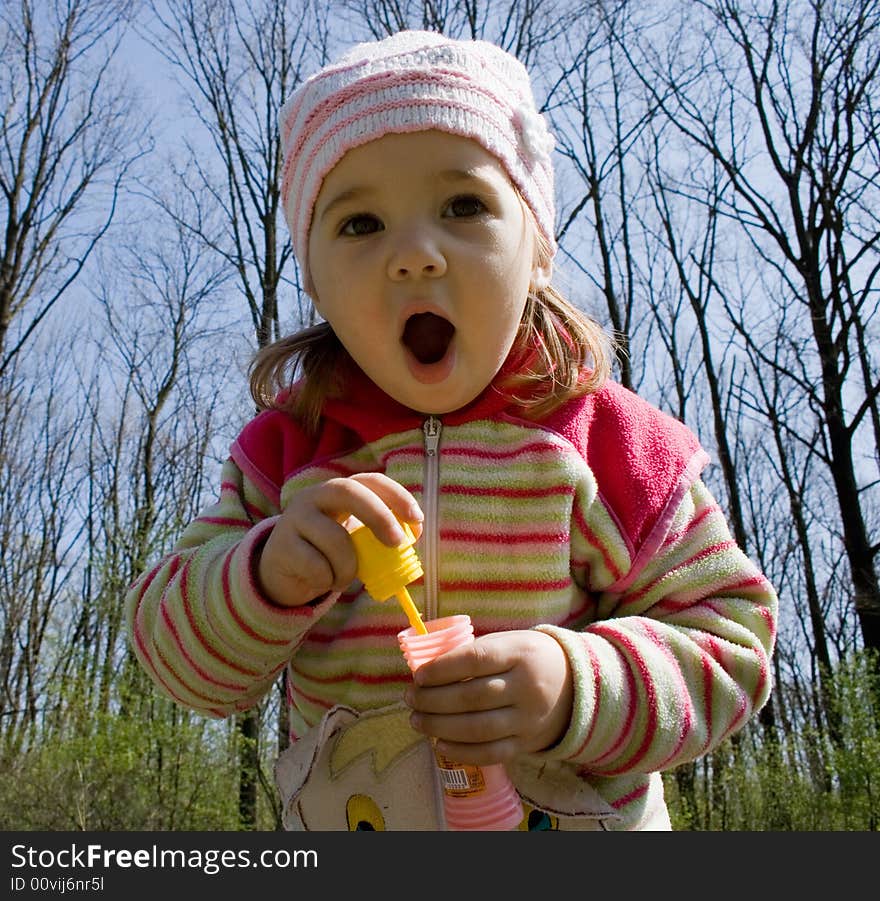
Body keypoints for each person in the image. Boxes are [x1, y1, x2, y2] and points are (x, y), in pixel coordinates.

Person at [125, 29, 777, 831]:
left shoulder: (609, 444)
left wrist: (575, 686)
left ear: (537, 247)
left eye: (464, 205)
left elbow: (731, 645)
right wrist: (266, 574)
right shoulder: (286, 453)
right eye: (359, 224)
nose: (414, 254)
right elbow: (175, 657)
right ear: (316, 280)